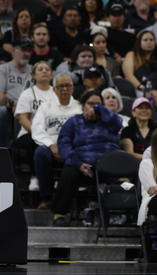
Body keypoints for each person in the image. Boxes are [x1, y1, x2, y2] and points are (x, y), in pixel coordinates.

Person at [51, 90, 121, 226]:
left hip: (107, 167)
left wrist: (99, 109)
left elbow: (118, 122)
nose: (94, 107)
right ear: (83, 105)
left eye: (98, 104)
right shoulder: (73, 122)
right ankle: (59, 214)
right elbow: (64, 145)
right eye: (91, 104)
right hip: (82, 165)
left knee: (123, 178)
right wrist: (78, 164)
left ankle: (118, 215)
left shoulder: (109, 122)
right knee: (68, 174)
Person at [31, 73, 82, 210]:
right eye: (61, 86)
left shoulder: (80, 107)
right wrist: (51, 145)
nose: (64, 89)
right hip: (51, 148)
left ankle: (74, 198)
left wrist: (66, 148)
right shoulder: (45, 107)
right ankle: (46, 198)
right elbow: (37, 130)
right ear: (54, 89)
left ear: (72, 88)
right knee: (40, 152)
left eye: (67, 86)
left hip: (73, 148)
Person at [14, 62, 58, 191]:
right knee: (35, 141)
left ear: (51, 74)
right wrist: (39, 133)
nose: (44, 71)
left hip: (53, 133)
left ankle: (57, 178)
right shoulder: (27, 94)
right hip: (29, 133)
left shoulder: (57, 93)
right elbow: (23, 119)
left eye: (47, 69)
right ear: (33, 75)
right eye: (40, 69)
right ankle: (34, 178)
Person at [0, 36, 33, 148]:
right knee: (2, 111)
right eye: (23, 50)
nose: (27, 53)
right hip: (10, 111)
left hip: (30, 111)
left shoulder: (34, 71)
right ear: (13, 50)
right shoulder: (2, 69)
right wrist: (13, 106)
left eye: (29, 51)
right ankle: (0, 152)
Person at [122, 30, 157, 95]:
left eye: (151, 40)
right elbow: (128, 75)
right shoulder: (132, 55)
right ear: (139, 42)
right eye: (145, 40)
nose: (149, 42)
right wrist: (142, 87)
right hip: (138, 90)